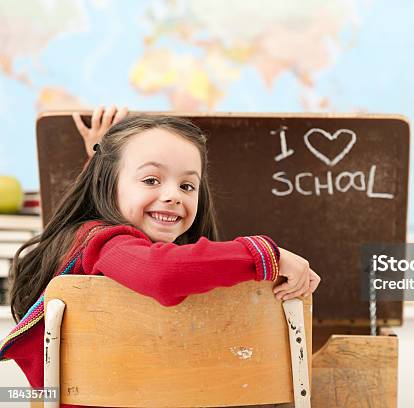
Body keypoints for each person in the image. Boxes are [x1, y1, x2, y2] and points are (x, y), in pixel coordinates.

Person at [0, 107, 321, 395]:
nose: (173, 195)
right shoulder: (103, 243)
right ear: (106, 181)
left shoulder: (100, 241)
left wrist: (105, 160)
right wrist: (266, 255)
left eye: (187, 186)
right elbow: (162, 273)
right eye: (151, 179)